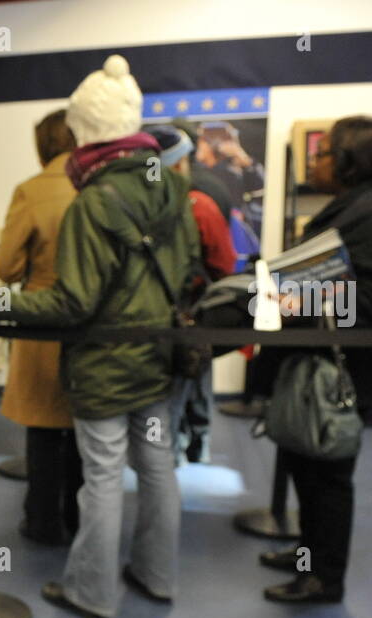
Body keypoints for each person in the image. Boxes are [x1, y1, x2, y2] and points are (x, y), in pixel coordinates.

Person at [0, 55, 200, 618]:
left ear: (86, 131)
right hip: (158, 354)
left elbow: (73, 303)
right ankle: (158, 575)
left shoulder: (95, 199)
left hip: (105, 361)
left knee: (104, 475)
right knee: (159, 467)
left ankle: (92, 592)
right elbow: (187, 273)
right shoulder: (171, 189)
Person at [259, 116, 372, 603]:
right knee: (306, 464)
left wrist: (304, 294)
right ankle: (308, 556)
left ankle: (324, 577)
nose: (315, 162)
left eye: (323, 153)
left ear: (350, 160)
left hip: (342, 371)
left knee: (328, 477)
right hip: (320, 364)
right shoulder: (355, 208)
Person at [0, 110, 81, 545]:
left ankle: (43, 521)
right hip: (90, 323)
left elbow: (6, 267)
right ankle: (78, 517)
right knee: (85, 429)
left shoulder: (32, 191)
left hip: (40, 318)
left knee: (44, 429)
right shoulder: (97, 187)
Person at [146, 124, 236, 464]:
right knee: (186, 385)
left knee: (156, 408)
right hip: (189, 316)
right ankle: (190, 443)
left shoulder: (129, 204)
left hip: (141, 325)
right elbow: (223, 265)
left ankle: (162, 453)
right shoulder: (202, 201)